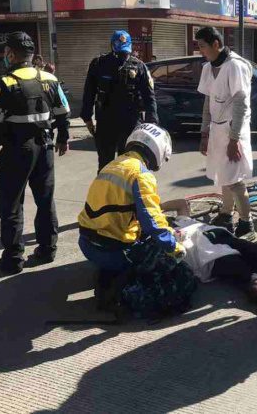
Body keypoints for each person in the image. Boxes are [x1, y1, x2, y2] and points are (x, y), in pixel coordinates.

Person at [77, 123, 197, 320]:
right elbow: (153, 224)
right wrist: (175, 247)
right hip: (113, 251)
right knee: (176, 270)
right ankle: (123, 291)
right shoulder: (141, 175)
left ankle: (110, 278)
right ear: (157, 150)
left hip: (88, 243)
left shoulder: (115, 164)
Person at [0, 32, 71, 275]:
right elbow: (63, 112)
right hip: (45, 148)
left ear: (11, 54)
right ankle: (47, 249)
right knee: (45, 200)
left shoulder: (4, 83)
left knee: (10, 204)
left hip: (17, 151)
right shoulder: (50, 79)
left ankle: (13, 259)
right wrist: (63, 138)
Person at [196, 27, 255, 240]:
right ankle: (226, 216)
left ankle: (247, 223)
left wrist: (234, 139)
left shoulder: (235, 66)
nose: (200, 51)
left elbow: (241, 105)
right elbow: (207, 102)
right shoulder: (207, 68)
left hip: (233, 130)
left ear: (215, 44)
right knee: (224, 176)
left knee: (235, 180)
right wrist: (204, 134)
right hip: (217, 131)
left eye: (203, 46)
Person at [81, 30, 158, 173]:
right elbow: (89, 92)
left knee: (129, 165)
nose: (123, 56)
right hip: (106, 122)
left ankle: (126, 194)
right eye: (120, 52)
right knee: (105, 166)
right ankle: (105, 194)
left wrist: (152, 121)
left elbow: (149, 96)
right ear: (112, 46)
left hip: (130, 123)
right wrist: (87, 118)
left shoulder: (139, 66)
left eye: (125, 52)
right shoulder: (98, 64)